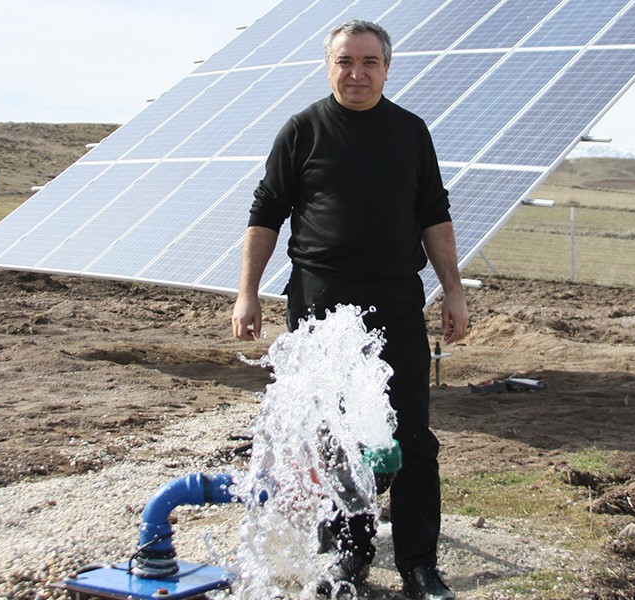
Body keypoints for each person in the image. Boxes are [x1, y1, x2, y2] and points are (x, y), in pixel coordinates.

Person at [231, 18, 468, 600]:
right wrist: (246, 292)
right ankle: (346, 558)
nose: (357, 73)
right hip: (320, 299)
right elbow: (265, 213)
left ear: (388, 68)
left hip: (396, 299)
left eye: (370, 62)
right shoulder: (303, 131)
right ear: (329, 65)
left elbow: (434, 215)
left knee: (411, 435)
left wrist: (454, 291)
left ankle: (418, 564)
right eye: (346, 61)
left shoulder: (411, 133)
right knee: (334, 435)